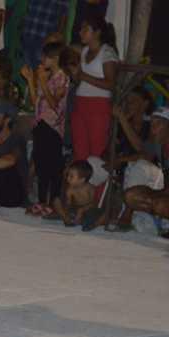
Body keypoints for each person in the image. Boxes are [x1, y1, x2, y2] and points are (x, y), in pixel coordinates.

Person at [22, 42, 69, 215]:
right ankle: (42, 201)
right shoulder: (48, 77)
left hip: (53, 127)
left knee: (52, 165)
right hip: (40, 124)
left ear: (55, 58)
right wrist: (30, 80)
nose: (42, 60)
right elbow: (36, 102)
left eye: (45, 57)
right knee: (41, 164)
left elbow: (55, 104)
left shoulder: (62, 77)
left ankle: (53, 202)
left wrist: (41, 81)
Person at [67, 14, 118, 162]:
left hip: (98, 106)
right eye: (81, 29)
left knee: (96, 151)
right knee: (80, 150)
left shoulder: (107, 52)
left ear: (97, 32)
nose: (80, 32)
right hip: (80, 103)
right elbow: (80, 81)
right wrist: (75, 75)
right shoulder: (84, 51)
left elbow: (110, 84)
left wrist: (83, 76)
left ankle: (97, 178)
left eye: (85, 29)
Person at [120, 107, 169, 236]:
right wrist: (122, 118)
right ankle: (157, 220)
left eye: (158, 124)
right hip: (165, 191)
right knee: (130, 196)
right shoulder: (159, 145)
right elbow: (140, 148)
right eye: (151, 124)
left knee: (159, 204)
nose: (153, 129)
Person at [51, 160, 102, 226]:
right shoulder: (70, 190)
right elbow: (68, 204)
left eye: (71, 176)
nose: (67, 178)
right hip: (75, 209)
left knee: (97, 214)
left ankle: (68, 218)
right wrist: (66, 212)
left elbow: (94, 203)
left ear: (82, 179)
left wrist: (82, 210)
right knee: (56, 201)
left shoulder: (90, 188)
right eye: (68, 175)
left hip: (87, 210)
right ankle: (66, 218)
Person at [21, 0, 70, 68]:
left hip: (44, 40)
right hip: (28, 36)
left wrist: (56, 38)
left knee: (40, 69)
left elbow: (63, 16)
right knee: (28, 69)